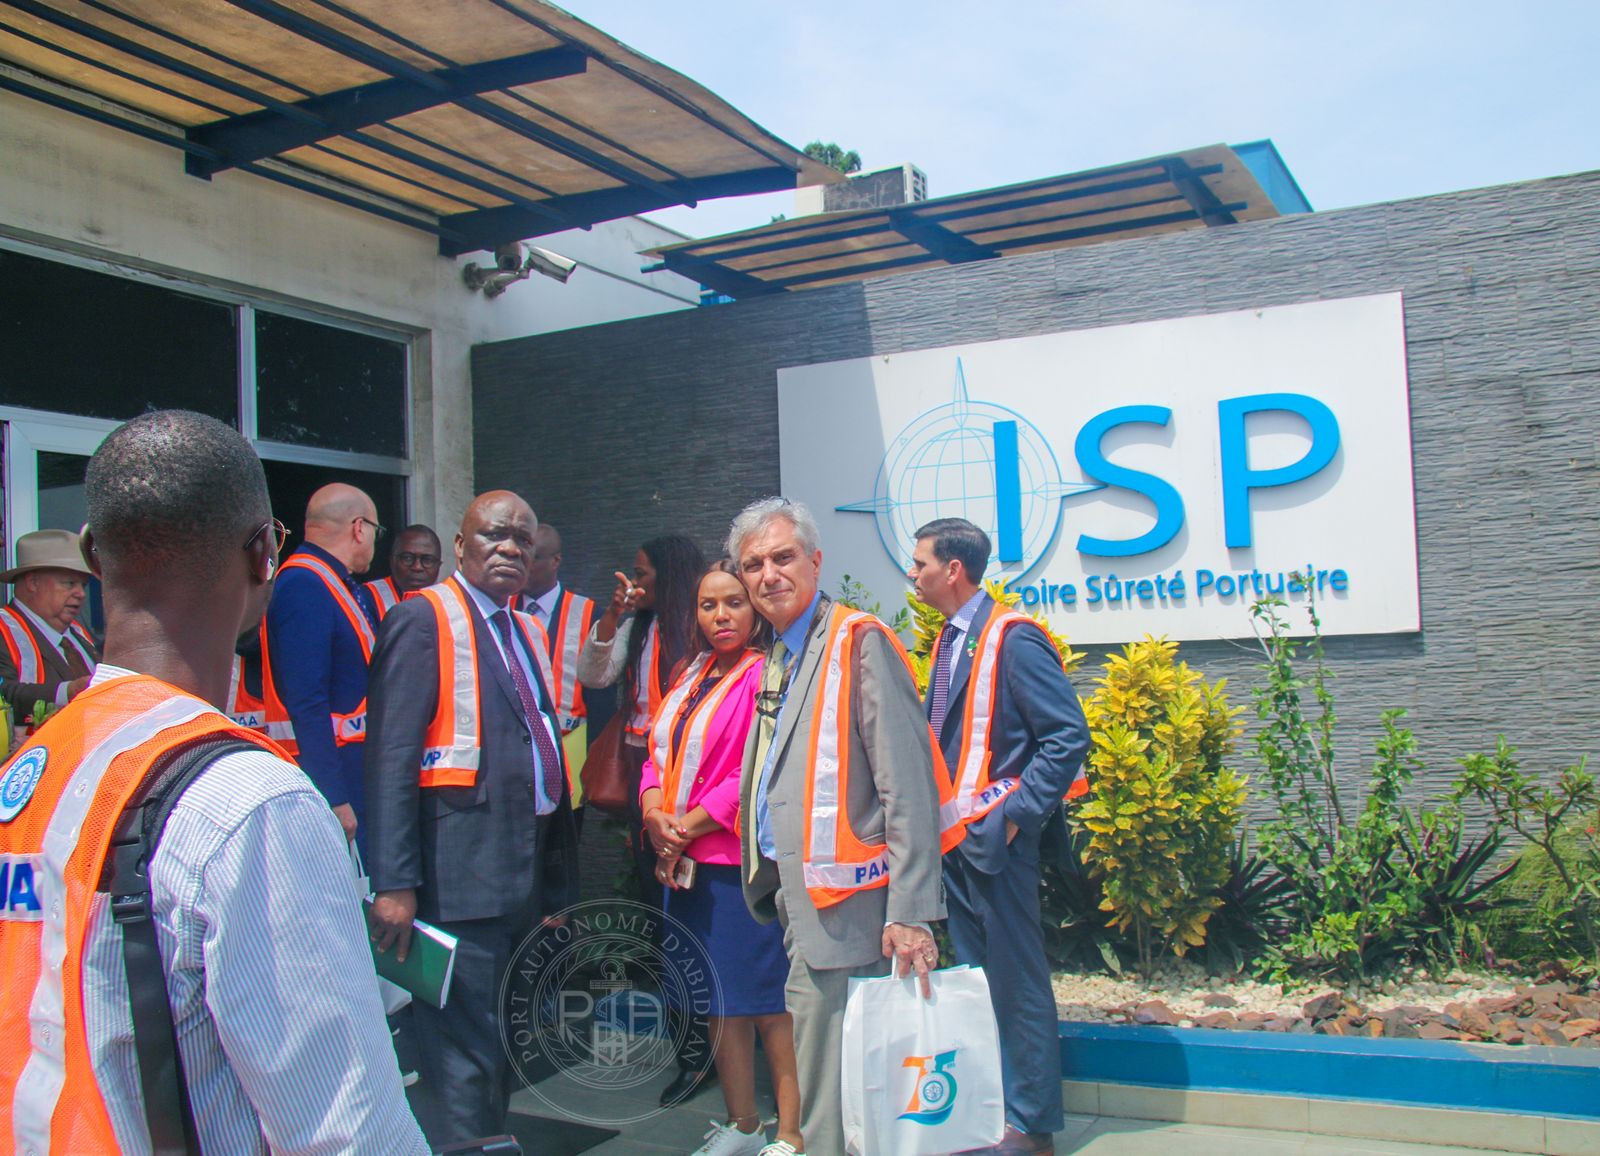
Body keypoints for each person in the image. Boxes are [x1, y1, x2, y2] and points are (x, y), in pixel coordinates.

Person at [0, 408, 426, 1153]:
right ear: (264, 553)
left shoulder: (33, 770)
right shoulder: (252, 807)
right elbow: (350, 1134)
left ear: (94, 556)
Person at [729, 497, 963, 1156]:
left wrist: (912, 912)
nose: (769, 575)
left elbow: (907, 786)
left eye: (782, 557)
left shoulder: (859, 641)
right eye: (754, 565)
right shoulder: (780, 651)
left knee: (838, 1091)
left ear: (815, 561)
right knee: (835, 1081)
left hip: (854, 910)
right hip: (799, 897)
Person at [364, 490, 579, 1147]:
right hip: (455, 880)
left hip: (519, 875)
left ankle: (489, 1141)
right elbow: (390, 757)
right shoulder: (422, 619)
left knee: (501, 1041)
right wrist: (394, 883)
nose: (510, 548)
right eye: (494, 535)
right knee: (459, 1055)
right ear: (461, 546)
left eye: (523, 539)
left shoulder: (522, 629)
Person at [909, 518, 1088, 1156]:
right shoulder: (951, 639)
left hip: (997, 842)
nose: (913, 574)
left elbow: (1067, 736)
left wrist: (1015, 816)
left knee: (1016, 984)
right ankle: (996, 1110)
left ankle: (1032, 1127)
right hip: (959, 842)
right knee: (980, 982)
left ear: (953, 569)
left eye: (921, 564)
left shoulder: (1013, 638)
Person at [640, 560, 801, 1156]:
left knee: (768, 1004)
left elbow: (754, 771)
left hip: (739, 870)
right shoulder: (692, 672)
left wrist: (683, 827)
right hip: (684, 865)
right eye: (708, 605)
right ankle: (743, 1126)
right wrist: (653, 812)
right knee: (717, 1002)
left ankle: (792, 1133)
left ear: (755, 608)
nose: (720, 616)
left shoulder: (772, 673)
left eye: (734, 602)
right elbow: (655, 755)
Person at [576, 532, 713, 1106]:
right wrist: (613, 616)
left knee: (697, 913)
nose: (634, 583)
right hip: (643, 782)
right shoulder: (640, 626)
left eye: (642, 573)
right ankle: (691, 1052)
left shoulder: (702, 628)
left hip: (694, 785)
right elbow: (593, 675)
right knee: (660, 914)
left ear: (669, 574)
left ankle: (715, 1044)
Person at [262, 482, 382, 847]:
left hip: (353, 771)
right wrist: (333, 796)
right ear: (359, 528)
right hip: (335, 781)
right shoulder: (304, 584)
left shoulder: (333, 582)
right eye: (376, 531)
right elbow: (306, 698)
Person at [519, 523, 602, 824]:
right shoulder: (503, 610)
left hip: (571, 746)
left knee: (563, 838)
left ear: (555, 561)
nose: (522, 565)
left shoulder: (588, 612)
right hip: (519, 751)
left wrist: (596, 759)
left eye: (532, 558)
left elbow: (600, 694)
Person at [0, 528, 100, 716]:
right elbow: (4, 693)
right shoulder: (4, 631)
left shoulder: (79, 635)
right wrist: (67, 692)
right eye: (69, 583)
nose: (81, 594)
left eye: (83, 585)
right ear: (33, 582)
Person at [367, 523, 444, 618]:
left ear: (439, 565)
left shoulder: (448, 604)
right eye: (407, 558)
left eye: (427, 560)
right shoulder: (368, 597)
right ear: (392, 561)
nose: (417, 567)